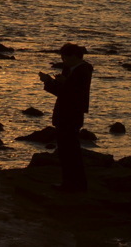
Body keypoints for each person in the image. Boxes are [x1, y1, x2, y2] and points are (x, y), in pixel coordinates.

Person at [39, 42, 93, 192]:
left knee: (71, 152)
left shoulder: (83, 70)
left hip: (72, 115)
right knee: (65, 151)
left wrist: (63, 83)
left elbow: (75, 94)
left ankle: (75, 185)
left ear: (75, 56)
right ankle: (70, 183)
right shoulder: (70, 69)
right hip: (64, 114)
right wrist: (49, 82)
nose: (64, 61)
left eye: (65, 57)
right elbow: (62, 92)